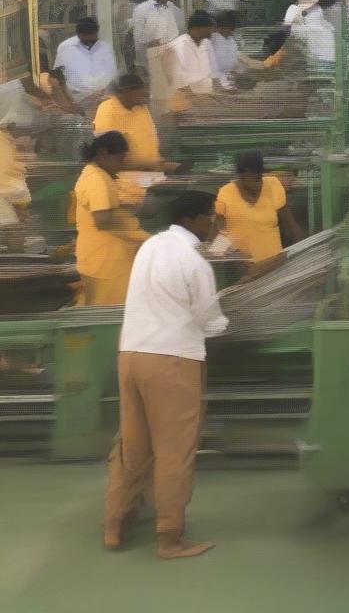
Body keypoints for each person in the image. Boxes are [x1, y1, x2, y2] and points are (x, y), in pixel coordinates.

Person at [103, 191, 227, 559]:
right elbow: (209, 319)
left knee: (132, 445)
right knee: (175, 449)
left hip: (131, 354)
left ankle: (114, 524)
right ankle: (170, 537)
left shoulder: (150, 247)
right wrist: (229, 319)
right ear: (193, 219)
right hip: (172, 361)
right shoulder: (194, 262)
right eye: (210, 217)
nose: (214, 224)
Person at [73, 132, 150, 306]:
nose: (123, 164)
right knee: (106, 318)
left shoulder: (98, 175)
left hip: (105, 260)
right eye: (120, 158)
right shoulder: (96, 179)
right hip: (105, 264)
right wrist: (142, 238)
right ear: (103, 154)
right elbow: (103, 220)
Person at [94, 74, 176, 201]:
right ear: (127, 92)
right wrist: (151, 166)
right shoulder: (107, 111)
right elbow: (108, 162)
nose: (146, 92)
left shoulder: (141, 108)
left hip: (151, 175)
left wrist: (160, 164)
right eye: (141, 89)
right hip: (123, 182)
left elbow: (150, 141)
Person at [215, 151, 302, 264]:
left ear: (261, 174)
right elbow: (220, 230)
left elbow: (291, 227)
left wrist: (301, 254)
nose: (250, 185)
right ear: (238, 176)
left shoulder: (273, 185)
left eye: (256, 179)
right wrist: (224, 255)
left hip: (273, 263)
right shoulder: (225, 193)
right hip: (242, 266)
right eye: (243, 180)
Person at [132, 0, 185, 115]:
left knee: (172, 90)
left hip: (169, 54)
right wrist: (152, 43)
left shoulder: (171, 9)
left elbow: (176, 32)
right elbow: (138, 37)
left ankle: (172, 115)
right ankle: (158, 117)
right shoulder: (141, 9)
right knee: (156, 94)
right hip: (149, 56)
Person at [163, 11, 229, 115]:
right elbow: (178, 84)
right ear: (197, 29)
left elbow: (213, 72)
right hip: (184, 105)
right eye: (208, 29)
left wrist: (221, 95)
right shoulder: (177, 47)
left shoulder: (206, 44)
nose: (211, 32)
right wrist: (203, 103)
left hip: (206, 98)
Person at [53, 16, 118, 109]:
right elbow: (57, 75)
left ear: (96, 33)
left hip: (104, 97)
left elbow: (113, 74)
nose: (89, 42)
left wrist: (102, 93)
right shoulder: (65, 47)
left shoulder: (105, 48)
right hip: (76, 98)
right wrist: (67, 100)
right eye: (85, 39)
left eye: (92, 39)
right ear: (78, 34)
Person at [210, 11, 241, 79]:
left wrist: (235, 69)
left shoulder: (231, 40)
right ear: (219, 28)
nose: (229, 32)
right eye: (225, 28)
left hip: (230, 75)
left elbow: (235, 57)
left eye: (231, 29)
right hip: (215, 76)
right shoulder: (213, 38)